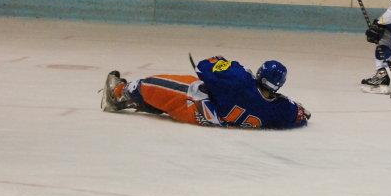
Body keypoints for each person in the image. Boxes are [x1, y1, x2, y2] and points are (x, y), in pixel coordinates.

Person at [100, 56, 310, 129]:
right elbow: (300, 115)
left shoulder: (240, 80)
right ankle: (135, 102)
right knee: (163, 99)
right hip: (208, 118)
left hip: (194, 103)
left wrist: (226, 63)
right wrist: (298, 109)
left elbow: (203, 67)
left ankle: (117, 95)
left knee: (150, 85)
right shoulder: (281, 110)